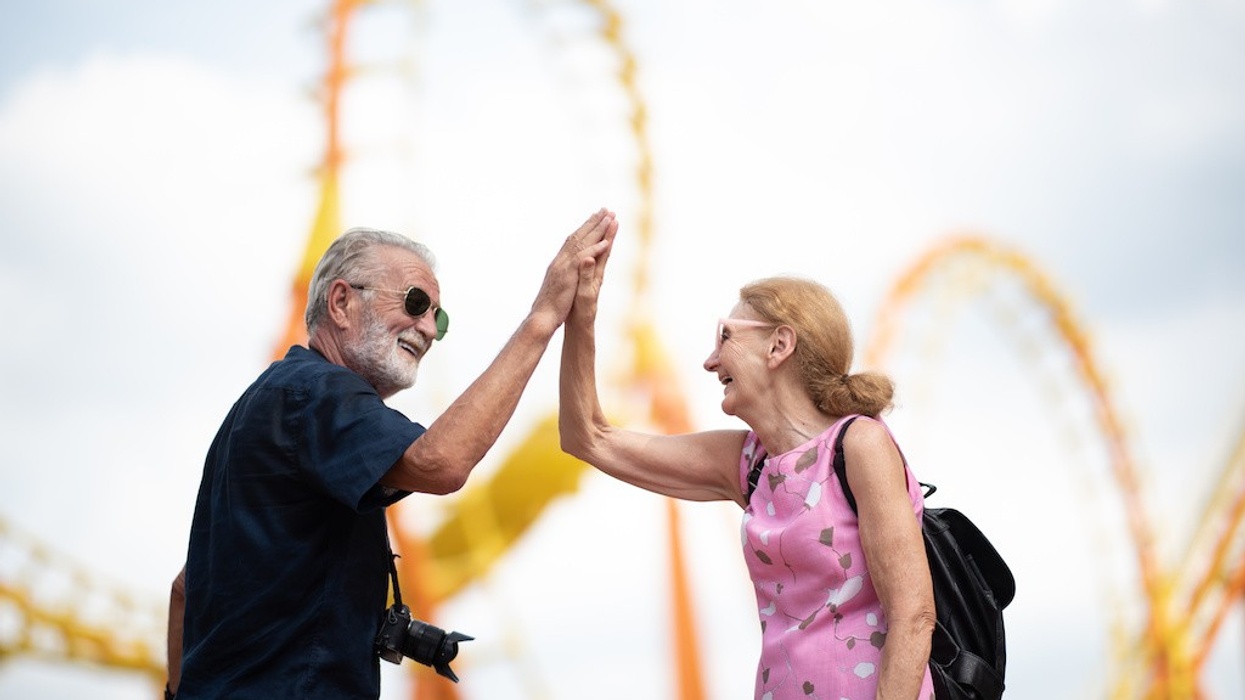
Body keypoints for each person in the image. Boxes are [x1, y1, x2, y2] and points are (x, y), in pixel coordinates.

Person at [165, 208, 619, 699]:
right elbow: (441, 462)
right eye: (415, 302)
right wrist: (543, 318)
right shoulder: (316, 392)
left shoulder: (268, 405)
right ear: (341, 303)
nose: (427, 328)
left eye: (437, 317)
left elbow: (185, 591)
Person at [559, 266, 936, 699]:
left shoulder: (860, 444)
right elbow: (586, 437)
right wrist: (581, 313)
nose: (709, 361)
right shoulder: (749, 464)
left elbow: (914, 616)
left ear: (779, 345)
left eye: (725, 336)